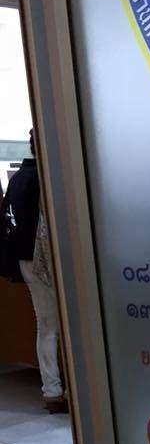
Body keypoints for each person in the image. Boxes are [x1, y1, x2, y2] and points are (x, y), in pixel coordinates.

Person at [0, 130, 66, 413]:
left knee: (47, 325)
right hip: (49, 260)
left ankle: (52, 390)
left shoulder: (18, 178)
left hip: (26, 261)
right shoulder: (46, 179)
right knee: (65, 325)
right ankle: (66, 389)